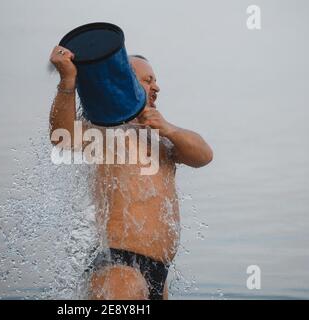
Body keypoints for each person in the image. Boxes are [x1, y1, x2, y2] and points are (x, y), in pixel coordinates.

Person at [49, 45, 213, 299]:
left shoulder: (164, 140)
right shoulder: (106, 131)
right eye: (148, 80)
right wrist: (68, 80)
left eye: (156, 81)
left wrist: (167, 128)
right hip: (118, 265)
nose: (156, 88)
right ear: (123, 83)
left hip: (159, 272)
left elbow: (204, 155)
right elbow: (62, 137)